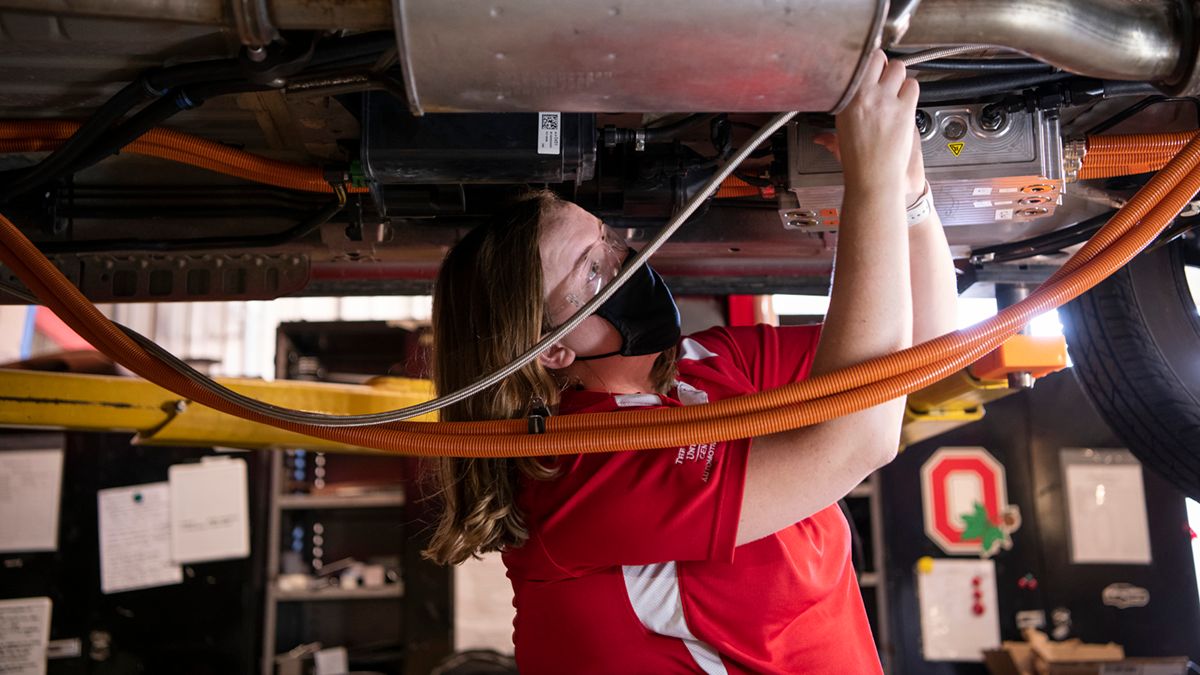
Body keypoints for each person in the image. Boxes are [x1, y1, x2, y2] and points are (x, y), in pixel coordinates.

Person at [426, 50, 957, 674]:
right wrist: (869, 182)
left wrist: (908, 188)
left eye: (608, 239)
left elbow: (925, 348)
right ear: (552, 349)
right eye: (591, 269)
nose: (623, 260)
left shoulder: (704, 367)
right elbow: (854, 446)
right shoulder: (575, 477)